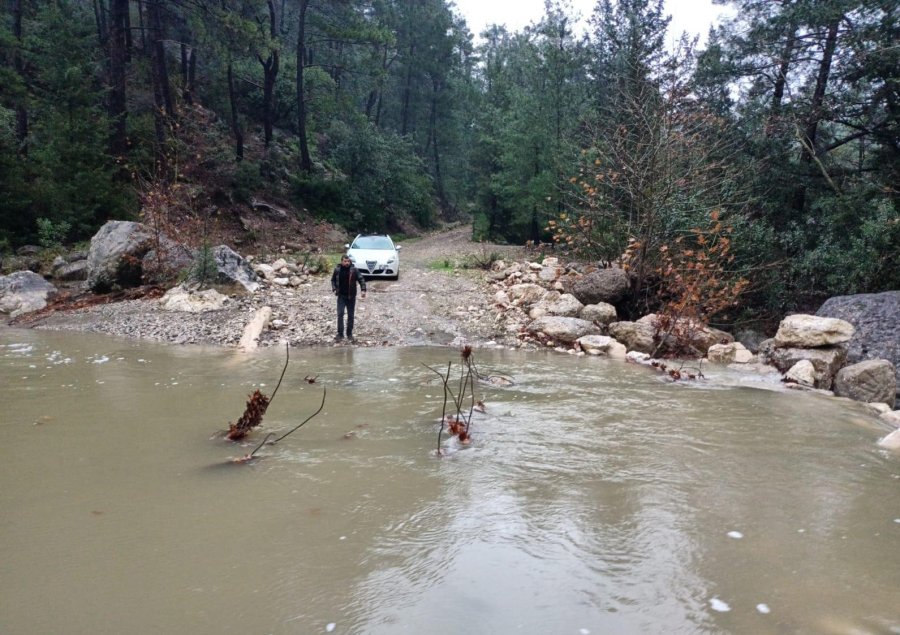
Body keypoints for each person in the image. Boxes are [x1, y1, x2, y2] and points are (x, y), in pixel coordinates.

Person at [331, 255, 366, 342]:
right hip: (341, 296)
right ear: (341, 261)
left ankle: (349, 334)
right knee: (340, 314)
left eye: (348, 261)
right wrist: (334, 288)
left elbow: (361, 279)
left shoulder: (354, 270)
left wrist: (363, 290)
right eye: (345, 261)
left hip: (351, 297)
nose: (347, 263)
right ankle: (340, 334)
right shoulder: (337, 270)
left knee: (350, 316)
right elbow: (333, 280)